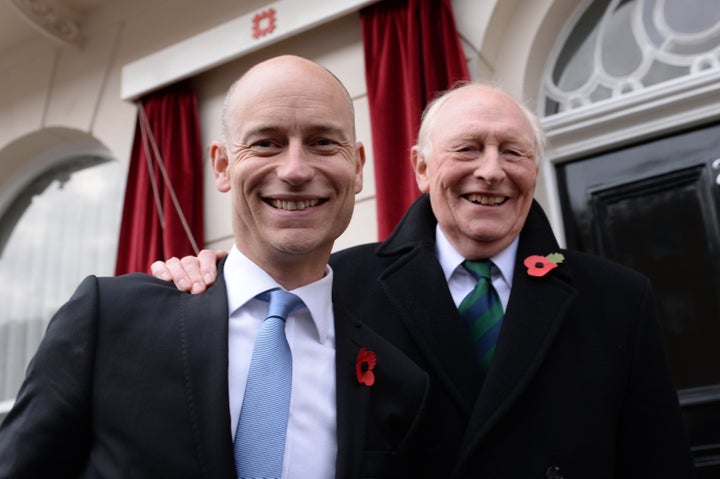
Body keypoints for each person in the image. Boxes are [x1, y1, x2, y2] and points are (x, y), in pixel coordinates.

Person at [156, 83, 696, 478]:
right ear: (420, 166)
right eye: (467, 148)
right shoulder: (339, 284)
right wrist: (211, 276)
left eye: (513, 151)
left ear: (534, 167)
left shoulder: (619, 297)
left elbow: (659, 461)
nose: (491, 170)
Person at [0, 55, 432, 478]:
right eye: (266, 142)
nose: (296, 169)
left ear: (357, 167)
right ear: (223, 165)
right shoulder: (110, 319)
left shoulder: (396, 380)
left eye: (323, 142)